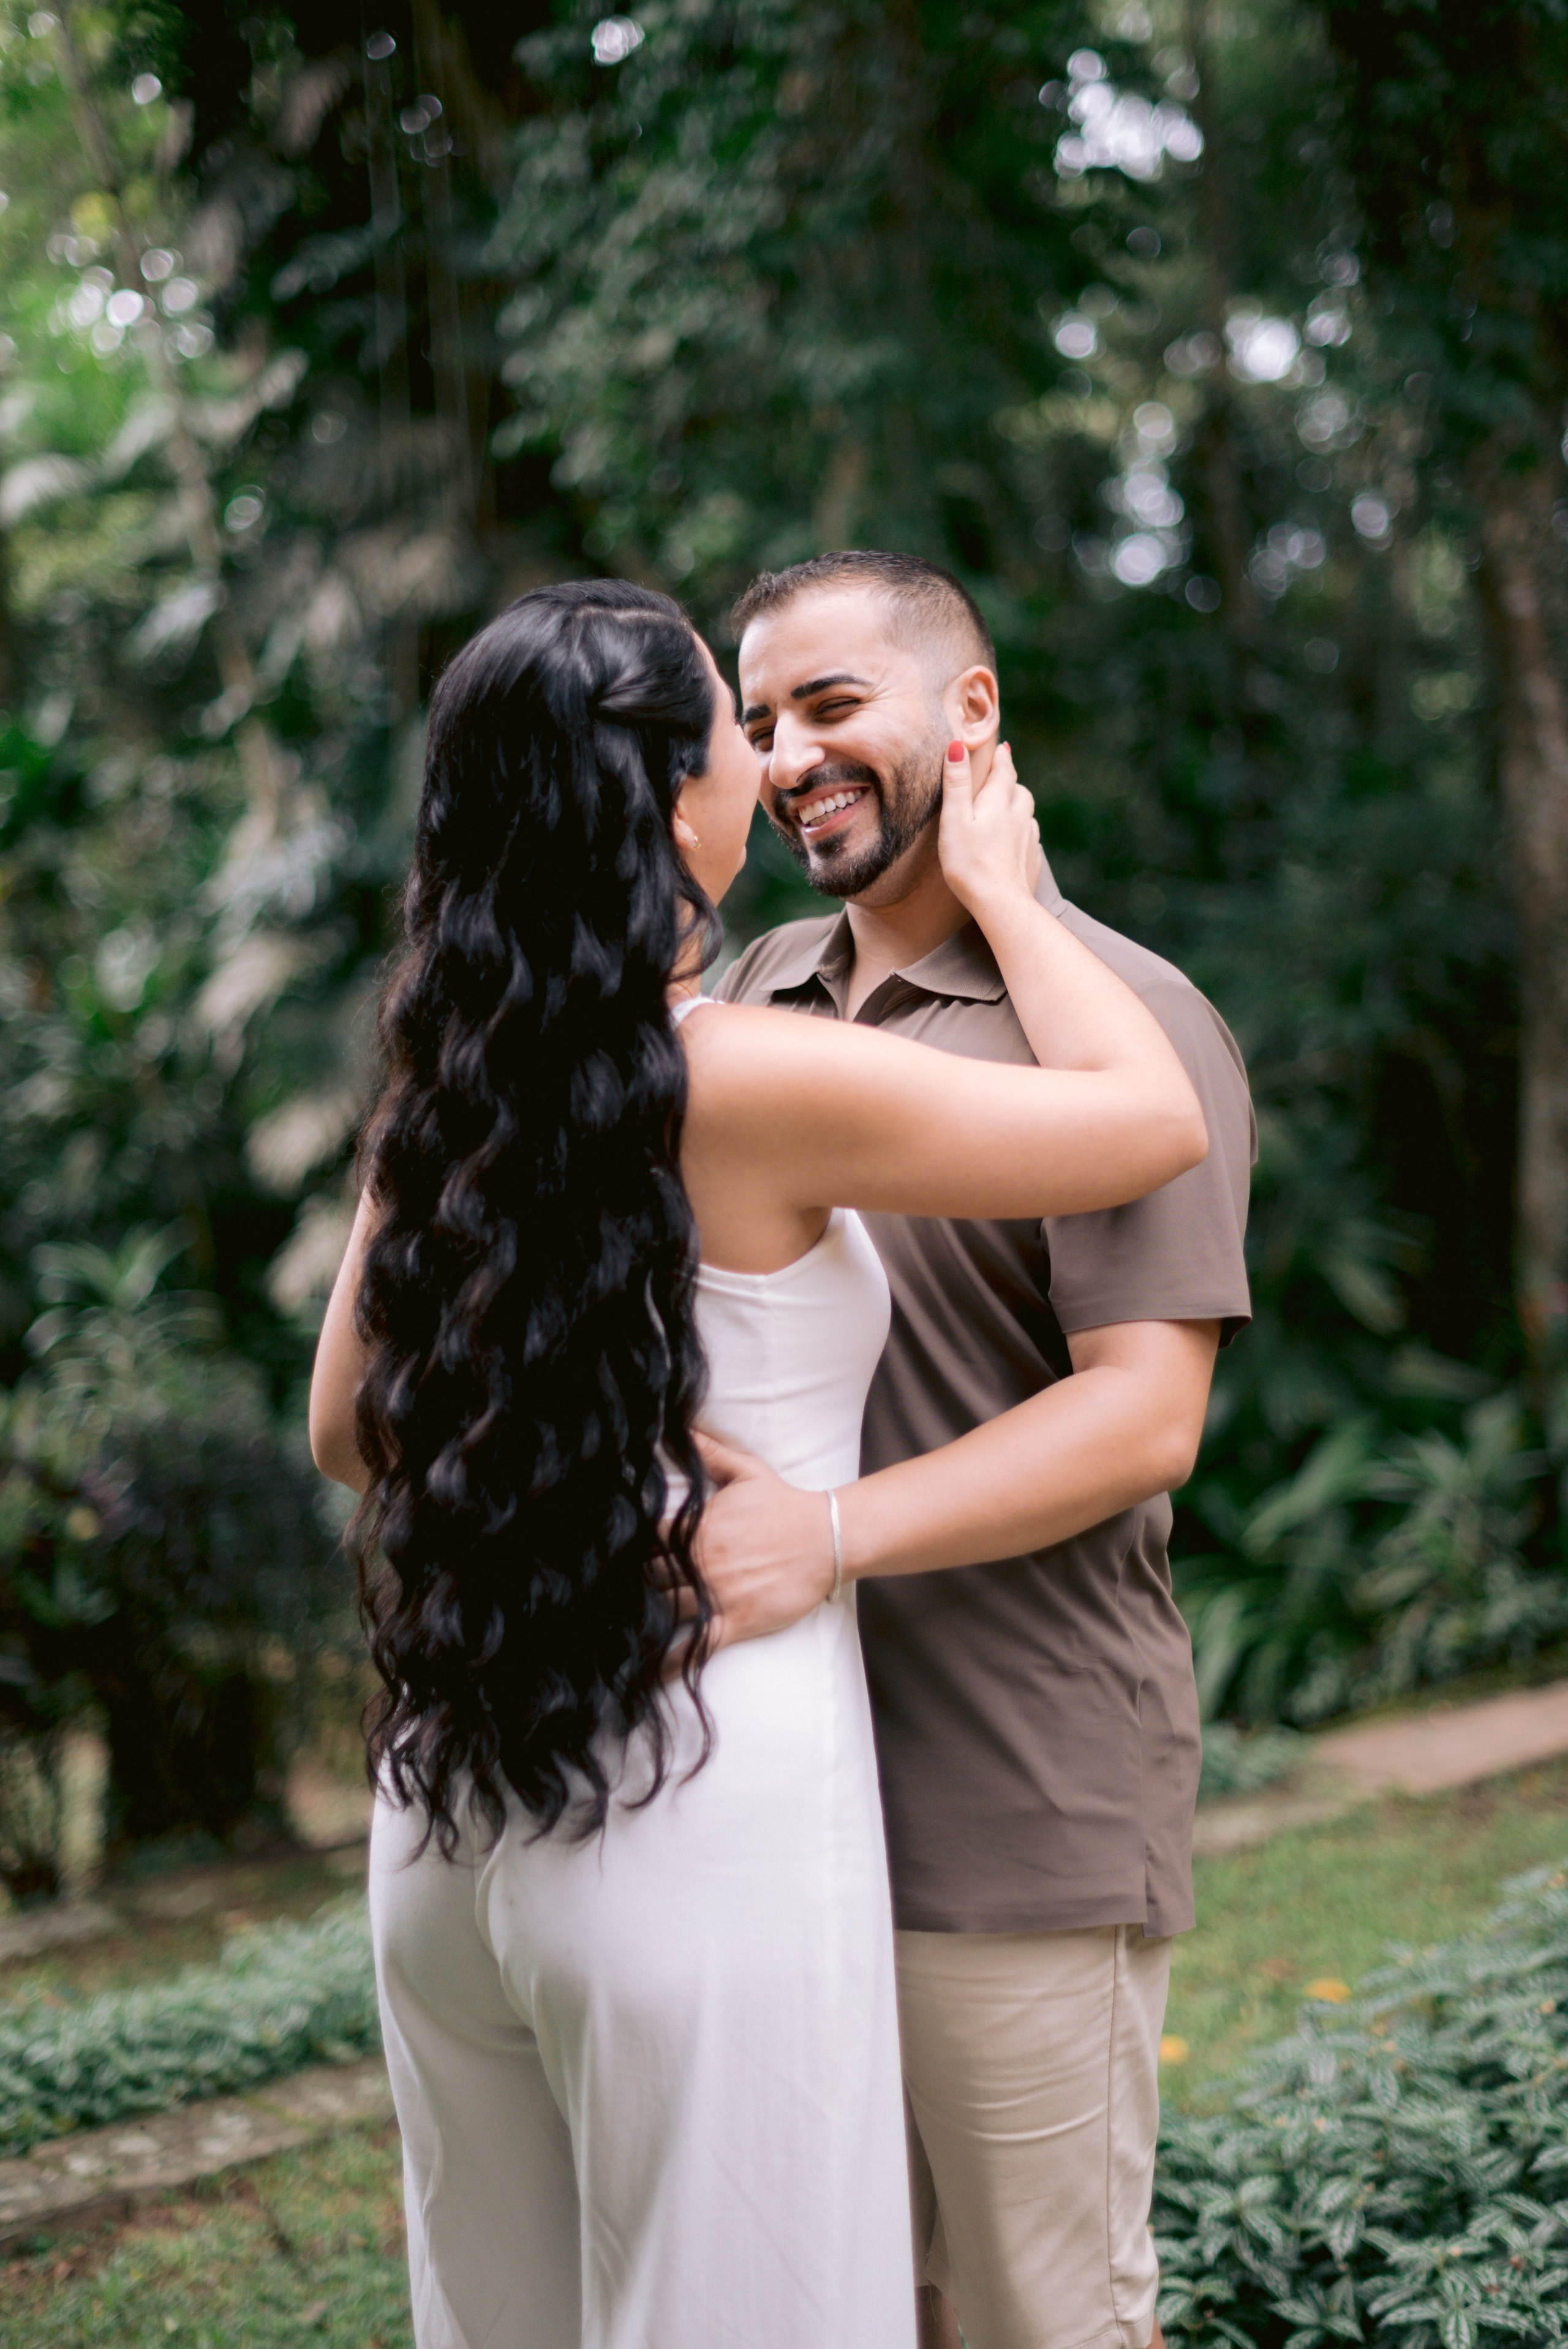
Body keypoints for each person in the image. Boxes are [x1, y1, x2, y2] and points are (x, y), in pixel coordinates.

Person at [308, 576, 1208, 2349]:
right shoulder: (739, 1072)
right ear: (670, 802)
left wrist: (587, 1447)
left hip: (456, 1810)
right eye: (736, 723)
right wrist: (1017, 902)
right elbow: (1150, 1115)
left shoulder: (460, 1076)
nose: (769, 756)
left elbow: (350, 1424)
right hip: (692, 1787)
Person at [700, 551, 1256, 2349]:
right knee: (877, 2309)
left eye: (833, 704)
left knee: (1046, 2320)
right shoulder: (750, 998)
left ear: (972, 709)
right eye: (759, 719)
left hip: (1013, 1802)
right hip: (776, 1791)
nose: (789, 755)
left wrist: (831, 1532)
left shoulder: (1124, 1027)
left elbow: (1146, 1414)